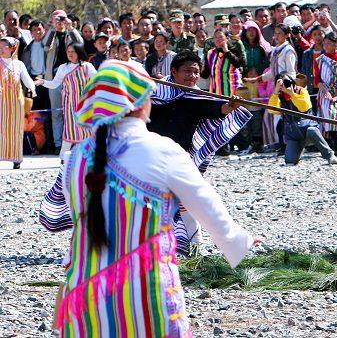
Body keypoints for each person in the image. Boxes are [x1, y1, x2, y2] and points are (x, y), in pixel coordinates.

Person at [44, 60, 256, 336]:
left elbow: (70, 215)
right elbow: (208, 209)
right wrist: (239, 241)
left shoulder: (75, 159)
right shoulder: (163, 150)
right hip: (147, 294)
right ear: (142, 102)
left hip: (84, 296)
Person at [148, 52, 252, 251]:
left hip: (180, 158)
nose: (192, 76)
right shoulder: (154, 92)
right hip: (152, 158)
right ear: (173, 71)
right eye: (187, 71)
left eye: (196, 72)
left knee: (187, 200)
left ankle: (195, 245)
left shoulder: (196, 96)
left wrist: (230, 106)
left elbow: (215, 109)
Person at [35, 43, 96, 160]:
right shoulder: (63, 68)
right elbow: (54, 84)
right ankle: (63, 157)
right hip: (70, 105)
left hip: (85, 105)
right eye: (68, 52)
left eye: (73, 51)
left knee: (87, 130)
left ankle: (88, 157)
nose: (70, 54)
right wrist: (42, 82)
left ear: (79, 52)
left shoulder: (88, 67)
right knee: (69, 130)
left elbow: (96, 82)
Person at [269, 74, 337, 165]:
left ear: (292, 82)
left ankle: (329, 155)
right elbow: (272, 110)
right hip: (293, 135)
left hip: (307, 130)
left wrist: (292, 94)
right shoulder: (279, 96)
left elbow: (304, 107)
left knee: (312, 130)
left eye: (287, 83)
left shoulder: (301, 91)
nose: (285, 86)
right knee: (290, 161)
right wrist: (275, 92)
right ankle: (300, 149)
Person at [44, 10, 83, 155]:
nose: (60, 21)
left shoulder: (70, 34)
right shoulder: (51, 34)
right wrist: (53, 28)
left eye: (62, 18)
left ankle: (74, 142)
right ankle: (58, 143)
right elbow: (46, 46)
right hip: (54, 77)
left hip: (72, 77)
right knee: (56, 112)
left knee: (73, 111)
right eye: (56, 18)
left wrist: (70, 27)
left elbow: (80, 43)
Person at [0, 37, 36, 169]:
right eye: (0, 45)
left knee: (16, 129)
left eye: (5, 46)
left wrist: (32, 88)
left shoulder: (19, 64)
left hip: (16, 102)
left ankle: (16, 158)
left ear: (12, 49)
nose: (1, 48)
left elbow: (27, 80)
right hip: (1, 101)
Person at [314, 32, 337, 153]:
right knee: (328, 114)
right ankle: (330, 144)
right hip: (325, 90)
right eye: (325, 43)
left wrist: (336, 93)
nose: (326, 45)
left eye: (329, 43)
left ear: (336, 44)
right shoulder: (320, 60)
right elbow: (317, 80)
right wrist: (325, 91)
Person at [202, 28, 245, 96]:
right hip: (216, 91)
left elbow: (237, 64)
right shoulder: (210, 53)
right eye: (215, 37)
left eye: (221, 37)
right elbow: (206, 73)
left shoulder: (233, 50)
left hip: (232, 90)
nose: (217, 40)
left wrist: (226, 51)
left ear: (227, 38)